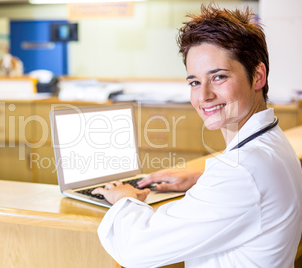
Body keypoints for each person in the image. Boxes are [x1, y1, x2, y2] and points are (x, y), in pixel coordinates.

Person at [92, 4, 302, 268]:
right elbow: (252, 186)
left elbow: (136, 249)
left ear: (258, 75)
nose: (203, 96)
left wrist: (124, 199)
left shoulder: (243, 172)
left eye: (219, 77)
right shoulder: (270, 143)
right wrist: (203, 179)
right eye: (194, 82)